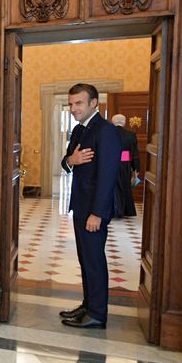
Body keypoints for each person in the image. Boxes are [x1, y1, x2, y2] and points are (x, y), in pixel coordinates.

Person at [58, 84, 120, 329]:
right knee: (85, 259)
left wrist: (97, 213)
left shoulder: (106, 131)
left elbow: (107, 175)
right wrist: (71, 160)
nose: (73, 108)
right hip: (80, 206)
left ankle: (97, 314)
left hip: (94, 210)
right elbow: (67, 160)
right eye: (71, 103)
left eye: (79, 103)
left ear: (94, 103)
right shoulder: (79, 130)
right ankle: (87, 305)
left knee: (94, 261)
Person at [110, 114, 140, 217]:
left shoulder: (108, 133)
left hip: (110, 163)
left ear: (112, 122)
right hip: (125, 164)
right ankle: (126, 211)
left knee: (112, 187)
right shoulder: (130, 135)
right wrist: (136, 168)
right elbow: (134, 154)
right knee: (125, 186)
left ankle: (113, 210)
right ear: (124, 122)